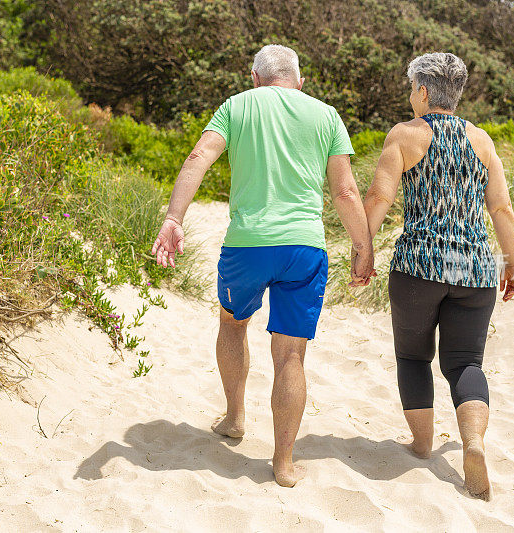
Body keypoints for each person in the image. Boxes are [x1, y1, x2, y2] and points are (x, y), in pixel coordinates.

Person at [151, 44, 375, 487]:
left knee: (234, 324)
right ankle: (283, 463)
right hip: (304, 248)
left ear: (255, 77)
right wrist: (362, 245)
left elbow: (199, 157)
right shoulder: (326, 115)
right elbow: (346, 192)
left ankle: (235, 417)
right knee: (291, 354)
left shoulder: (237, 106)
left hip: (247, 246)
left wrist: (174, 217)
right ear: (300, 80)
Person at [362, 52, 514, 501]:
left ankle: (422, 443)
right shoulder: (482, 141)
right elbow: (501, 209)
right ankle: (472, 442)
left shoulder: (407, 134)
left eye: (412, 87)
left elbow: (379, 196)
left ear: (424, 91)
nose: (410, 94)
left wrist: (363, 248)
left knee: (414, 357)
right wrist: (511, 263)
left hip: (419, 268)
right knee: (465, 363)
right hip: (475, 270)